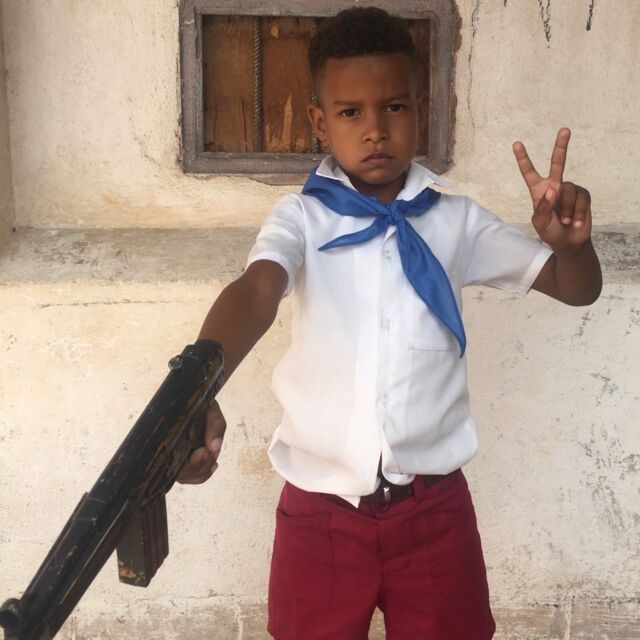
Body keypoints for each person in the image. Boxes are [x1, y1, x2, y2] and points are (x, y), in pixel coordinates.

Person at [177, 7, 602, 639]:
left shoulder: (457, 221)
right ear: (319, 121)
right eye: (351, 112)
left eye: (395, 107)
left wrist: (571, 248)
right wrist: (196, 383)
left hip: (434, 513)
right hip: (320, 513)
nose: (375, 129)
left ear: (420, 109)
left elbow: (576, 289)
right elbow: (257, 291)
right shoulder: (301, 219)